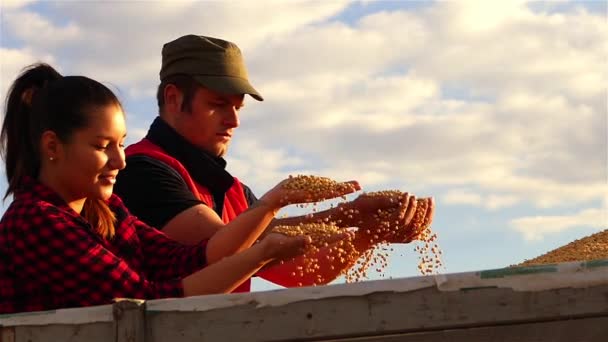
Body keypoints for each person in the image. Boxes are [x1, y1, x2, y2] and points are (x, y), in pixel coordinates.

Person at [0, 64, 357, 314]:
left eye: (120, 144)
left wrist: (272, 203)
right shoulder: (36, 220)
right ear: (52, 147)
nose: (119, 160)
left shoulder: (109, 211)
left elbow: (187, 259)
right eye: (101, 146)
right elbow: (147, 301)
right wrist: (261, 253)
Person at [114, 35, 435, 289]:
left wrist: (367, 230)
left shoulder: (236, 193)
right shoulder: (141, 170)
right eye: (218, 104)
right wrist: (348, 215)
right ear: (173, 98)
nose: (233, 121)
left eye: (238, 107)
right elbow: (223, 247)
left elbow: (298, 272)